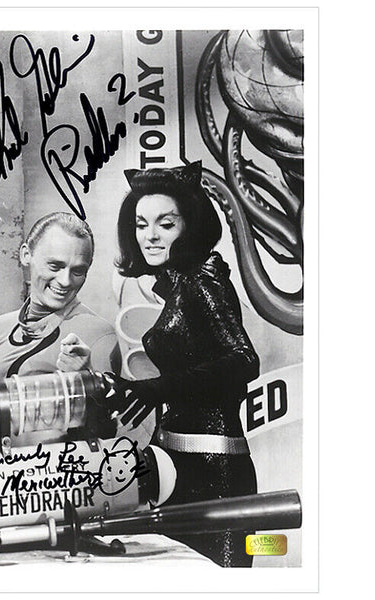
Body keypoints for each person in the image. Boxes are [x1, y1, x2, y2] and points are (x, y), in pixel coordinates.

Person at [110, 161, 259, 567]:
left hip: (214, 473)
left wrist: (158, 387)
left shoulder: (203, 279)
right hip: (175, 462)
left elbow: (244, 360)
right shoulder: (179, 281)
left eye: (166, 223)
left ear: (189, 225)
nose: (150, 236)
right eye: (141, 224)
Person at [0, 211, 120, 452]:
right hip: (2, 470)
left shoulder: (98, 334)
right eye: (55, 266)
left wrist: (87, 382)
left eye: (78, 271)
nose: (65, 281)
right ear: (26, 255)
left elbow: (108, 438)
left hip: (62, 473)